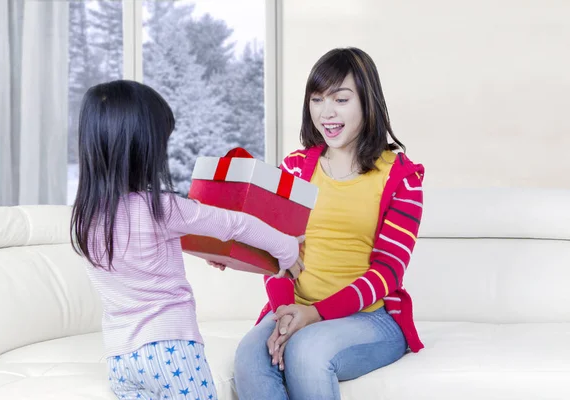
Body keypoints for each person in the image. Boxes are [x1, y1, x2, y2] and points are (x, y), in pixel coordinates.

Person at [70, 80, 304, 400]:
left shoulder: (86, 218)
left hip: (120, 357)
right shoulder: (160, 207)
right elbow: (235, 224)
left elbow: (144, 252)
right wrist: (286, 248)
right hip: (171, 351)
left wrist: (215, 253)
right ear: (143, 148)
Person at [232, 47, 426, 400]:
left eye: (341, 99)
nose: (327, 112)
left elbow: (387, 274)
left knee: (306, 352)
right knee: (249, 356)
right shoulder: (294, 168)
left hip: (370, 318)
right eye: (317, 99)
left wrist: (314, 314)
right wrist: (285, 312)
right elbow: (274, 252)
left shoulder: (401, 177)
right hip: (294, 309)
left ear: (367, 102)